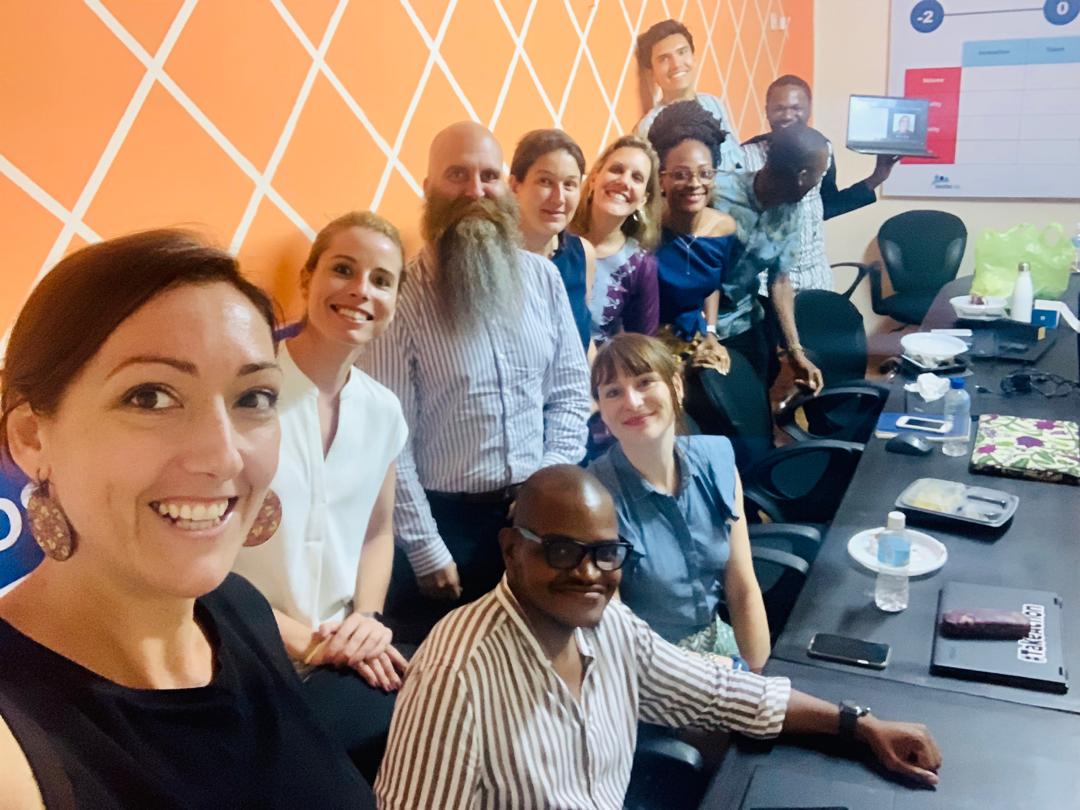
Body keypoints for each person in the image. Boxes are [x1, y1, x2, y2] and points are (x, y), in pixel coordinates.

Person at [0, 231, 376, 807]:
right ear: (31, 437)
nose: (224, 456)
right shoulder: (16, 741)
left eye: (253, 398)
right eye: (150, 397)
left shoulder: (238, 608)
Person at [375, 465, 942, 809]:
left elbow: (719, 693)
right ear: (511, 550)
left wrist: (859, 724)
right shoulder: (455, 677)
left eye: (605, 553)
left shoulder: (609, 626)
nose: (589, 573)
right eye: (562, 550)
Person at [362, 121, 590, 643]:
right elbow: (390, 440)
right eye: (457, 175)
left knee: (537, 658)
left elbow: (570, 394)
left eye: (488, 176)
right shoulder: (404, 296)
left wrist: (547, 485)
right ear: (429, 189)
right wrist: (426, 547)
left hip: (536, 516)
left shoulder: (543, 279)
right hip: (446, 528)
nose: (475, 190)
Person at [232, 212, 409, 781]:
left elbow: (377, 532)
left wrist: (366, 619)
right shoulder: (243, 399)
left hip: (337, 654)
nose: (361, 290)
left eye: (381, 280)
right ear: (307, 279)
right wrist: (308, 644)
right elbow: (202, 564)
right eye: (343, 270)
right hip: (239, 654)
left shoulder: (384, 411)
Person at [588, 334, 770, 668]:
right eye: (613, 392)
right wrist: (723, 674)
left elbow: (742, 587)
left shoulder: (716, 459)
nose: (632, 401)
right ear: (602, 411)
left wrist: (756, 677)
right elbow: (615, 636)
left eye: (645, 382)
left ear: (676, 387)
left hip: (719, 647)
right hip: (648, 667)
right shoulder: (593, 499)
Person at [741, 75, 898, 293]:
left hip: (815, 278)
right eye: (779, 108)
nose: (788, 116)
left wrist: (877, 177)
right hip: (765, 285)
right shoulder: (744, 156)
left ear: (809, 110)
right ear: (767, 110)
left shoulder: (823, 149)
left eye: (796, 108)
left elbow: (827, 205)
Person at [711, 119, 828, 391]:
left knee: (756, 399)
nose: (817, 182)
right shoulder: (716, 193)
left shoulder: (791, 212)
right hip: (696, 327)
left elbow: (781, 280)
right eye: (818, 175)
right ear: (802, 176)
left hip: (744, 323)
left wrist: (795, 350)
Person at [647, 98, 737, 373]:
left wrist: (711, 333)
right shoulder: (644, 230)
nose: (695, 183)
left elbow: (711, 285)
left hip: (694, 341)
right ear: (661, 178)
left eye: (704, 173)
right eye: (681, 174)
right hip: (648, 348)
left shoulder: (723, 228)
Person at [569, 134, 661, 346]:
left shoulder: (640, 266)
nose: (624, 181)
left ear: (643, 199)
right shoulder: (556, 235)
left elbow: (643, 345)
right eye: (616, 170)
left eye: (636, 177)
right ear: (594, 178)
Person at [509, 129, 596, 354]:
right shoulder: (494, 260)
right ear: (515, 186)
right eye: (545, 181)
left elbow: (584, 342)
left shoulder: (583, 253)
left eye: (569, 184)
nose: (558, 198)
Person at [633, 19, 744, 171]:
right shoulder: (649, 126)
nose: (676, 64)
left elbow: (738, 162)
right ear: (652, 72)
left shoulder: (713, 103)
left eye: (682, 52)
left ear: (694, 57)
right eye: (664, 59)